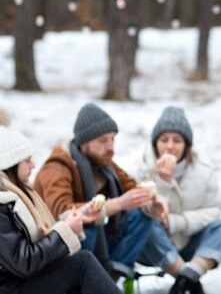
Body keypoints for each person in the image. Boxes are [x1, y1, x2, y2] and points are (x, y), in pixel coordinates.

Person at [33, 103, 168, 280]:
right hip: (59, 247)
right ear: (84, 142)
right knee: (87, 224)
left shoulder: (104, 164)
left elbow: (132, 188)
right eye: (103, 140)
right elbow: (62, 211)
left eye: (113, 139)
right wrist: (118, 204)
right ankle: (83, 281)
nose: (111, 147)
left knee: (142, 215)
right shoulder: (58, 165)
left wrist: (153, 205)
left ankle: (114, 274)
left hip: (101, 241)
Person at [0, 124, 122, 294]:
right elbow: (23, 261)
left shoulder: (18, 193)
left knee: (79, 266)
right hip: (12, 288)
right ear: (10, 164)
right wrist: (65, 229)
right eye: (27, 160)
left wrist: (74, 219)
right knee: (82, 263)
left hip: (22, 282)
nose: (33, 165)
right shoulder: (3, 203)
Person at [136, 106, 221, 294]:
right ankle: (188, 279)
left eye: (177, 140)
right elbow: (138, 215)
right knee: (145, 225)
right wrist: (163, 184)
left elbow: (214, 209)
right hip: (153, 249)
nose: (170, 146)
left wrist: (178, 222)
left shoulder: (203, 170)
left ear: (187, 144)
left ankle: (188, 276)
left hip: (189, 243)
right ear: (155, 142)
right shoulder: (141, 168)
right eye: (164, 140)